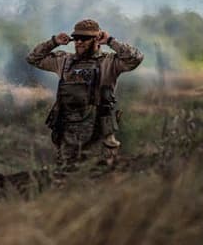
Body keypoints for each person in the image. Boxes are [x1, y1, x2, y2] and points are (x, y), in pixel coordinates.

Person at [27, 19, 143, 170]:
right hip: (69, 138)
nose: (79, 42)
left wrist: (110, 41)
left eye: (85, 38)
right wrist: (54, 41)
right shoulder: (64, 61)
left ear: (97, 39)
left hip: (99, 138)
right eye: (76, 38)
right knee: (65, 181)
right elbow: (33, 58)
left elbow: (136, 58)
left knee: (99, 182)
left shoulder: (109, 62)